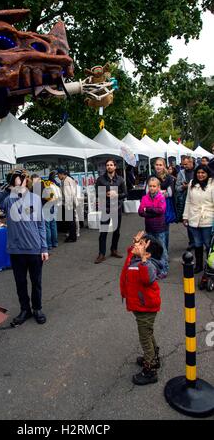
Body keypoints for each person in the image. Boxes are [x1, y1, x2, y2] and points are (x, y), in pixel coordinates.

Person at [0, 169, 48, 326]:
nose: (18, 181)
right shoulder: (9, 199)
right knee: (20, 283)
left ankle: (37, 308)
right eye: (15, 179)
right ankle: (25, 309)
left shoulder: (35, 199)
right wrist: (7, 187)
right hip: (16, 250)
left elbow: (41, 225)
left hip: (35, 249)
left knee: (36, 282)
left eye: (20, 178)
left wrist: (44, 248)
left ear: (26, 180)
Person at [120, 231, 163, 385]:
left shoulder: (148, 265)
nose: (136, 246)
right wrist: (135, 244)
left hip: (146, 308)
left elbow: (147, 279)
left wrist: (144, 261)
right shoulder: (135, 260)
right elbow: (128, 260)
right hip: (140, 306)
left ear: (148, 254)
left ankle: (150, 370)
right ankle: (154, 358)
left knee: (144, 337)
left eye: (140, 244)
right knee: (148, 333)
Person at [183, 165, 214, 274]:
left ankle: (210, 265)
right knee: (197, 243)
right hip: (194, 217)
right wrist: (185, 217)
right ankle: (199, 265)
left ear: (207, 173)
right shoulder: (191, 183)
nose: (200, 175)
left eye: (203, 173)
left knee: (208, 244)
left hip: (208, 218)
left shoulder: (212, 184)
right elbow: (188, 201)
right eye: (198, 173)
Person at [94, 159, 127, 263]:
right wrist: (106, 194)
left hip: (117, 208)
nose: (109, 167)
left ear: (115, 167)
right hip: (105, 208)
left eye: (111, 165)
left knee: (116, 231)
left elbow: (125, 194)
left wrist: (117, 195)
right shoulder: (100, 180)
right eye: (107, 165)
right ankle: (101, 254)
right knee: (103, 232)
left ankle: (114, 250)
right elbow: (97, 194)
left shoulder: (120, 179)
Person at [139, 177, 168, 278]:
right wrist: (151, 212)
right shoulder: (144, 198)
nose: (152, 188)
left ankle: (164, 269)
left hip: (160, 227)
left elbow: (161, 210)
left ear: (158, 187)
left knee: (162, 249)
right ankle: (154, 269)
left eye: (154, 186)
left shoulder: (161, 197)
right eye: (150, 186)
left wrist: (149, 209)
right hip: (149, 227)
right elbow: (140, 211)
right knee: (151, 250)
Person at [147, 158, 175, 251]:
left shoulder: (169, 178)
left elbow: (170, 193)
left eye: (160, 165)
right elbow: (146, 192)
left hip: (165, 206)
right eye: (157, 165)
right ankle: (153, 253)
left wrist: (156, 192)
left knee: (164, 231)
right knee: (151, 231)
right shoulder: (150, 177)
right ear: (154, 166)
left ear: (164, 166)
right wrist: (161, 192)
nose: (158, 167)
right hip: (151, 205)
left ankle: (164, 253)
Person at [175, 156, 196, 250]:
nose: (184, 166)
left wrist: (191, 185)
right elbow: (177, 187)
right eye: (183, 164)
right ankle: (192, 242)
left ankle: (199, 241)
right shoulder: (181, 173)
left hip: (198, 201)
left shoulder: (199, 171)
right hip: (185, 200)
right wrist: (183, 187)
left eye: (186, 164)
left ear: (191, 163)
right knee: (188, 222)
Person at [57, 167, 78, 243]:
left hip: (69, 204)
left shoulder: (66, 181)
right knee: (71, 221)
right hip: (71, 203)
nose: (58, 177)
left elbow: (68, 194)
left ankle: (72, 237)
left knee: (70, 222)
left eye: (58, 175)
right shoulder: (69, 179)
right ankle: (73, 236)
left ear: (61, 174)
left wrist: (67, 206)